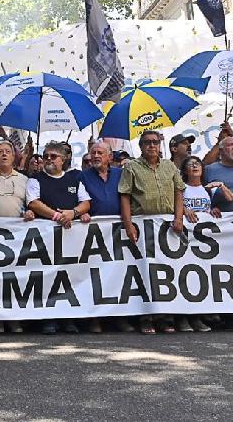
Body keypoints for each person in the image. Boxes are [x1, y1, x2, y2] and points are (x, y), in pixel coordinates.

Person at [118, 130, 185, 335]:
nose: (152, 146)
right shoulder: (131, 167)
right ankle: (146, 317)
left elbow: (179, 191)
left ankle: (166, 316)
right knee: (145, 272)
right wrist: (128, 224)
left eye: (155, 142)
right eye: (147, 142)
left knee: (168, 272)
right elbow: (125, 196)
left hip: (167, 227)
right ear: (141, 146)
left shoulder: (170, 166)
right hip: (142, 225)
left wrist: (179, 217)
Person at [26, 141, 89, 335]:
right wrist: (57, 216)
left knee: (68, 275)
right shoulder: (35, 179)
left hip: (70, 237)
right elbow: (33, 203)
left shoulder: (74, 180)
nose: (48, 160)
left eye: (53, 156)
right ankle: (48, 318)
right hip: (45, 238)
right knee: (46, 276)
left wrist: (74, 213)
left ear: (64, 159)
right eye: (46, 156)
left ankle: (68, 317)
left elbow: (85, 202)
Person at [76, 142, 134, 334]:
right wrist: (81, 213)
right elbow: (78, 200)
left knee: (119, 274)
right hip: (93, 233)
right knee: (94, 275)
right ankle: (94, 318)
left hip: (119, 232)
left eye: (100, 152)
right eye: (92, 153)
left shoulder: (120, 174)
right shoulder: (82, 176)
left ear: (110, 157)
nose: (95, 156)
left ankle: (120, 317)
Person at [0, 140, 34, 334]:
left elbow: (32, 204)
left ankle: (14, 319)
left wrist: (30, 213)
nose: (4, 155)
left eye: (7, 152)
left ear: (14, 156)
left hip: (17, 237)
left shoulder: (24, 179)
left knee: (14, 280)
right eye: (0, 152)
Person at [178, 155, 224, 333]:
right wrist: (184, 209)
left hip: (203, 242)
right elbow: (175, 204)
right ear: (184, 171)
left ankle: (197, 317)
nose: (195, 166)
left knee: (200, 279)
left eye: (197, 163)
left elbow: (225, 200)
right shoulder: (182, 189)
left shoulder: (207, 190)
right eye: (190, 164)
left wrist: (213, 210)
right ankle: (183, 318)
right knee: (184, 278)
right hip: (184, 239)